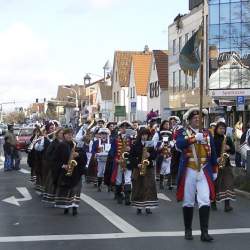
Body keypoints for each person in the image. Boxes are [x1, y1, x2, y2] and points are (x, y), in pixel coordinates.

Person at [176, 107, 218, 242]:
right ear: (189, 121)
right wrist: (193, 138)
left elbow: (214, 153)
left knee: (205, 199)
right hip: (189, 170)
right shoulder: (183, 132)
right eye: (195, 119)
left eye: (200, 119)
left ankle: (204, 233)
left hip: (204, 170)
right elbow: (179, 144)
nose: (198, 120)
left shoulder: (207, 133)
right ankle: (188, 230)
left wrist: (215, 169)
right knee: (188, 200)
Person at [54, 128, 87, 215]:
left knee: (76, 190)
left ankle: (75, 207)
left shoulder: (77, 144)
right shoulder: (61, 145)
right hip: (66, 171)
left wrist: (78, 155)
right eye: (67, 134)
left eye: (71, 134)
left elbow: (84, 157)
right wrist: (63, 165)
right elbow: (55, 159)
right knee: (67, 190)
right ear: (64, 135)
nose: (69, 135)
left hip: (77, 171)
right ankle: (66, 207)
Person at [130, 128, 158, 214]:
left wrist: (150, 154)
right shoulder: (135, 144)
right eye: (143, 135)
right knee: (139, 187)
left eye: (146, 135)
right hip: (139, 168)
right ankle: (139, 207)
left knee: (149, 186)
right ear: (140, 135)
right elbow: (131, 157)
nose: (144, 136)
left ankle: (148, 207)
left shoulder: (150, 144)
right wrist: (137, 164)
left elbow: (154, 155)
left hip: (148, 168)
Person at [212, 119, 236, 212]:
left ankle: (227, 205)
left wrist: (229, 148)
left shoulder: (227, 138)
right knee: (216, 184)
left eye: (224, 129)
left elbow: (233, 151)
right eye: (220, 128)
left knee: (228, 184)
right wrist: (216, 159)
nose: (222, 130)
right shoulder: (213, 139)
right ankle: (213, 203)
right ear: (216, 129)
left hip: (226, 164)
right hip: (216, 164)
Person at [110, 121, 133, 205]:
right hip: (119, 161)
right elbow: (112, 152)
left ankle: (127, 198)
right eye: (123, 127)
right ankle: (119, 195)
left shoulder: (131, 139)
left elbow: (134, 151)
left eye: (126, 127)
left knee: (128, 179)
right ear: (120, 128)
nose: (124, 129)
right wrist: (116, 159)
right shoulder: (116, 139)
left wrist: (130, 149)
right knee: (118, 180)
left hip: (128, 162)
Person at [42, 128, 64, 205]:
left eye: (63, 133)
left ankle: (60, 198)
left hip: (64, 166)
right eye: (60, 133)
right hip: (55, 166)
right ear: (57, 134)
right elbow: (48, 154)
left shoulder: (66, 142)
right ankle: (52, 198)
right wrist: (54, 161)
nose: (62, 134)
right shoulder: (53, 143)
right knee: (53, 182)